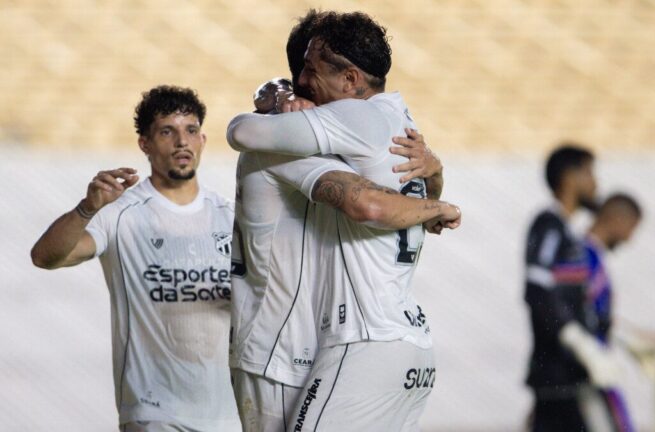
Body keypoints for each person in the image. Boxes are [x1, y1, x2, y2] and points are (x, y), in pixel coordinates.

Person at [226, 11, 459, 431]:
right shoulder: (400, 120)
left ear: (350, 79)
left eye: (310, 70)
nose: (302, 80)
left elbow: (243, 132)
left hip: (361, 340)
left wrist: (442, 207)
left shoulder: (353, 120)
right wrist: (436, 182)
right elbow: (413, 195)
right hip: (403, 343)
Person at [30, 86, 240, 432]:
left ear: (203, 139)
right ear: (145, 144)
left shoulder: (231, 216)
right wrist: (87, 208)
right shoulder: (120, 214)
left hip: (229, 414)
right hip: (154, 411)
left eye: (190, 130)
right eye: (167, 131)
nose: (182, 142)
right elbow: (45, 257)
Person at [523, 144, 621, 431]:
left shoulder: (570, 235)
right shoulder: (548, 226)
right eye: (589, 173)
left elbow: (578, 303)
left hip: (574, 376)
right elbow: (537, 292)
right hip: (557, 377)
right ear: (569, 178)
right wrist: (578, 342)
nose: (596, 183)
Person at [585, 193, 655, 432]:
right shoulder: (584, 258)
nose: (629, 239)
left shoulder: (592, 258)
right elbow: (581, 316)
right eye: (631, 229)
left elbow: (601, 319)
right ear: (617, 219)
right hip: (582, 377)